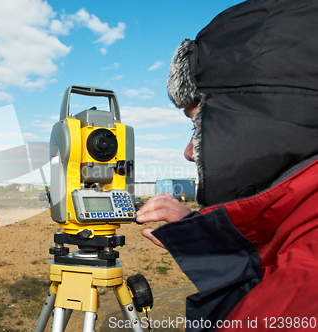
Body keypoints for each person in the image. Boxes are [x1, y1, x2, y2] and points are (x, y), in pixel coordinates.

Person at [136, 0, 318, 331]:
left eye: (200, 127)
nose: (189, 152)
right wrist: (206, 232)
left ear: (263, 124)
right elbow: (268, 264)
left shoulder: (295, 298)